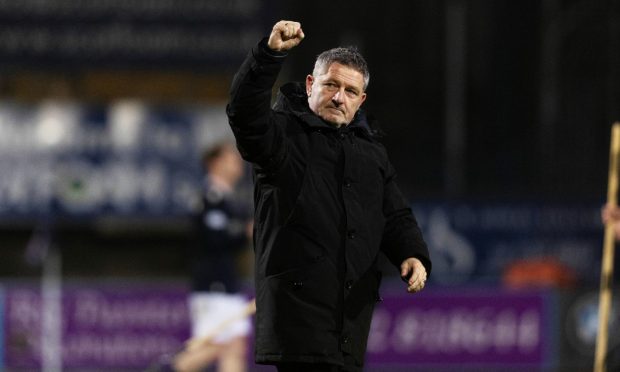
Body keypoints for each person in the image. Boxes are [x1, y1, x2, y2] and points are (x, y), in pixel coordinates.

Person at [226, 20, 432, 372]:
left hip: (349, 322)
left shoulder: (371, 153)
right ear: (310, 84)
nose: (339, 97)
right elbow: (245, 115)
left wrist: (412, 253)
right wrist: (268, 56)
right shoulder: (283, 135)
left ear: (361, 100)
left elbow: (394, 213)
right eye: (331, 85)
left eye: (350, 92)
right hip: (299, 323)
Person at [173, 143, 253, 372]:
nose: (238, 164)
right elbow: (214, 238)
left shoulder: (229, 199)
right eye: (231, 159)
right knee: (212, 347)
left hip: (227, 284)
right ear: (215, 163)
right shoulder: (209, 198)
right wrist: (245, 232)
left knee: (234, 347)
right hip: (212, 286)